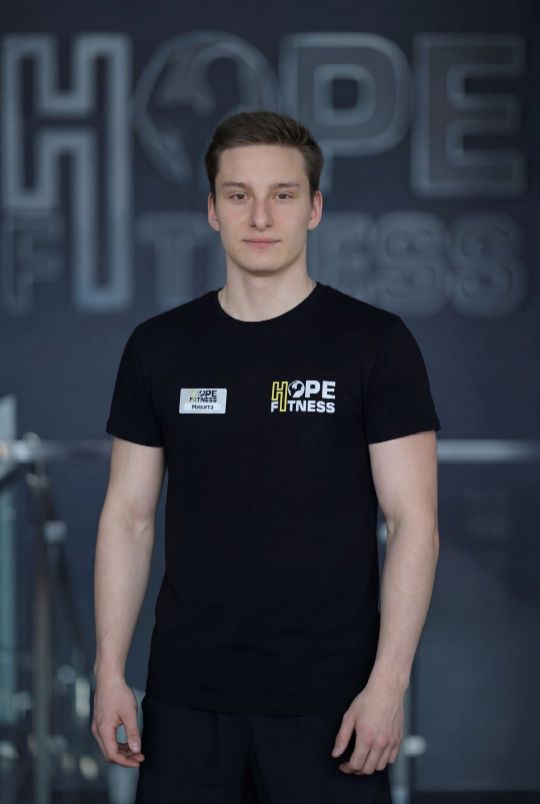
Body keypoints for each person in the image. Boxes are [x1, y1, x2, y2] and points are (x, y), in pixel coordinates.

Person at [91, 110, 441, 804]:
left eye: (282, 194)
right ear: (212, 209)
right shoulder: (159, 347)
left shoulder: (374, 343)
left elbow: (414, 524)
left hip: (332, 703)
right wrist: (108, 670)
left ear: (314, 208)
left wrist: (388, 683)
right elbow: (128, 517)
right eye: (238, 194)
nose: (259, 216)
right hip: (186, 699)